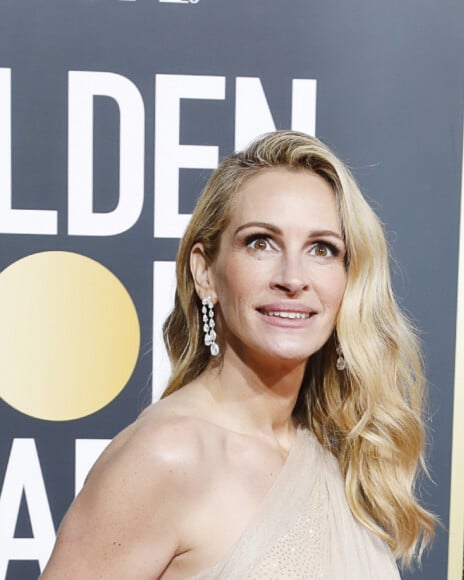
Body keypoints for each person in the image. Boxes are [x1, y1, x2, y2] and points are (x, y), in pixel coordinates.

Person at [42, 130, 435, 579]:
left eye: (322, 249)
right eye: (260, 242)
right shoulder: (167, 458)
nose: (293, 277)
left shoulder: (332, 459)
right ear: (205, 272)